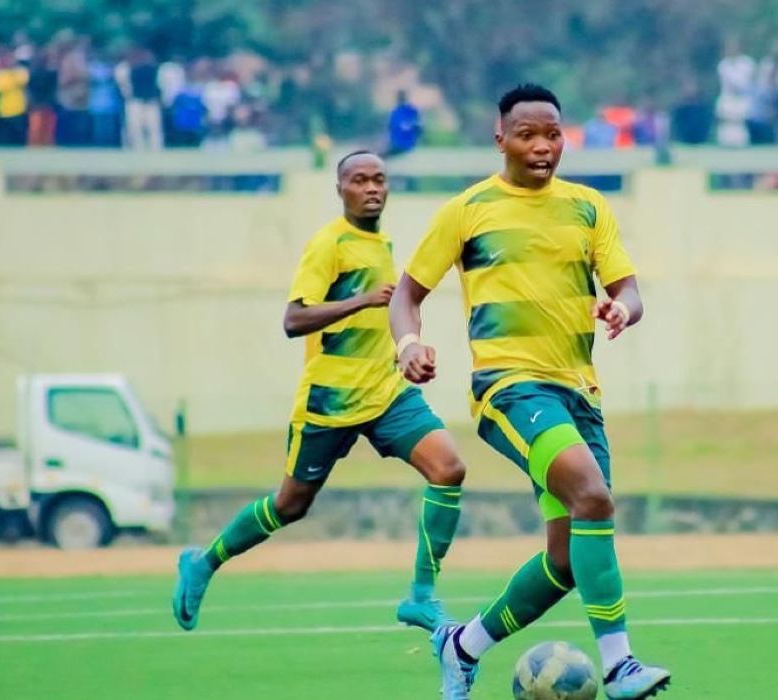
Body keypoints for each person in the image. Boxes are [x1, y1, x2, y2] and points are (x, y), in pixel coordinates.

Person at [388, 84, 671, 700]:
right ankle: (620, 664)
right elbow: (408, 295)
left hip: (579, 394)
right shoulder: (468, 211)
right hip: (509, 389)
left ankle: (461, 647)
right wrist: (409, 346)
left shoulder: (589, 207)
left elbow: (632, 291)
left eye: (553, 134)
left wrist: (622, 309)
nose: (542, 146)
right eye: (528, 134)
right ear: (501, 140)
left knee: (567, 562)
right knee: (592, 497)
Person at [172, 151, 467, 634]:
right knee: (291, 505)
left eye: (379, 179)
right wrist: (360, 300)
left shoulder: (382, 242)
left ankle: (421, 595)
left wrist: (408, 349)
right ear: (340, 190)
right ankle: (204, 563)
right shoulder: (328, 244)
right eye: (359, 180)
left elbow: (386, 316)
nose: (371, 188)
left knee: (448, 468)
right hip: (331, 400)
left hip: (387, 392)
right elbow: (294, 319)